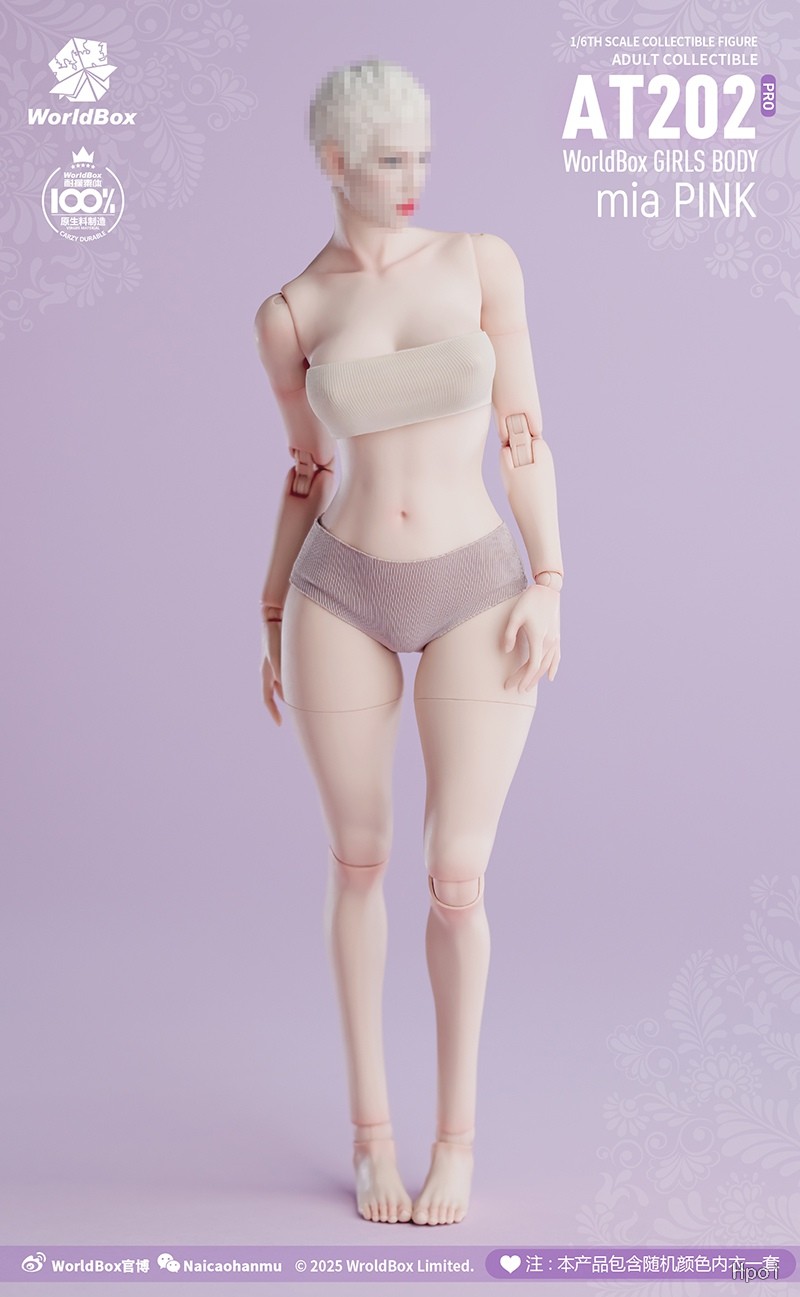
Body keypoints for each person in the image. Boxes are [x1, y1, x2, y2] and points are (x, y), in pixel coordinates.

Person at [253, 60, 563, 1227]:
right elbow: (304, 470)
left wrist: (551, 578)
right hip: (338, 588)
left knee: (455, 876)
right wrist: (271, 612)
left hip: (477, 581)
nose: (413, 177)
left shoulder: (481, 262)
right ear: (333, 163)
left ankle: (456, 1143)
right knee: (358, 863)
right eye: (390, 158)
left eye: (423, 154)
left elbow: (522, 434)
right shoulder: (291, 313)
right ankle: (372, 1139)